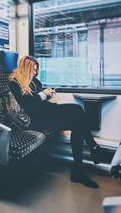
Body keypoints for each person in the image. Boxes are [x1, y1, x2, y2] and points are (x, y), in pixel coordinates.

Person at [8, 55, 107, 188]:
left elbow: (38, 101)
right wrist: (43, 95)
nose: (35, 73)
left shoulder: (35, 82)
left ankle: (79, 169)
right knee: (77, 114)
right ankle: (92, 151)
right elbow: (28, 105)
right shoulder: (14, 83)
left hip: (46, 113)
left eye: (36, 70)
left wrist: (47, 94)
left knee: (77, 119)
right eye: (32, 70)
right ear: (25, 69)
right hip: (35, 120)